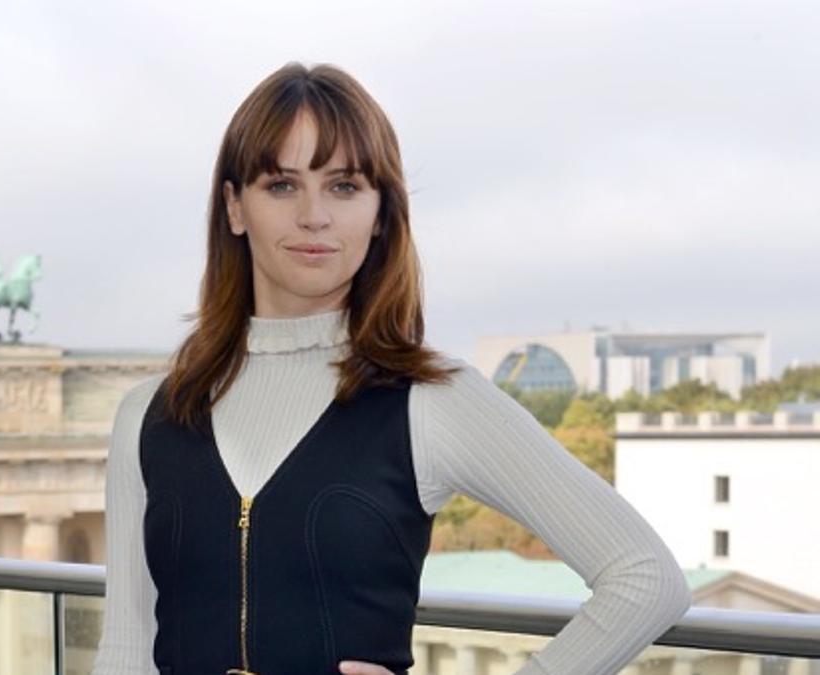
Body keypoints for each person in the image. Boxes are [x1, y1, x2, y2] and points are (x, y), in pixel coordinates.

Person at [91, 62, 691, 675]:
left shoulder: (432, 400)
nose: (314, 215)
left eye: (344, 186)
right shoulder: (149, 415)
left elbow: (645, 578)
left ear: (380, 213)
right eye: (281, 185)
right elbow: (125, 649)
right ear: (234, 207)